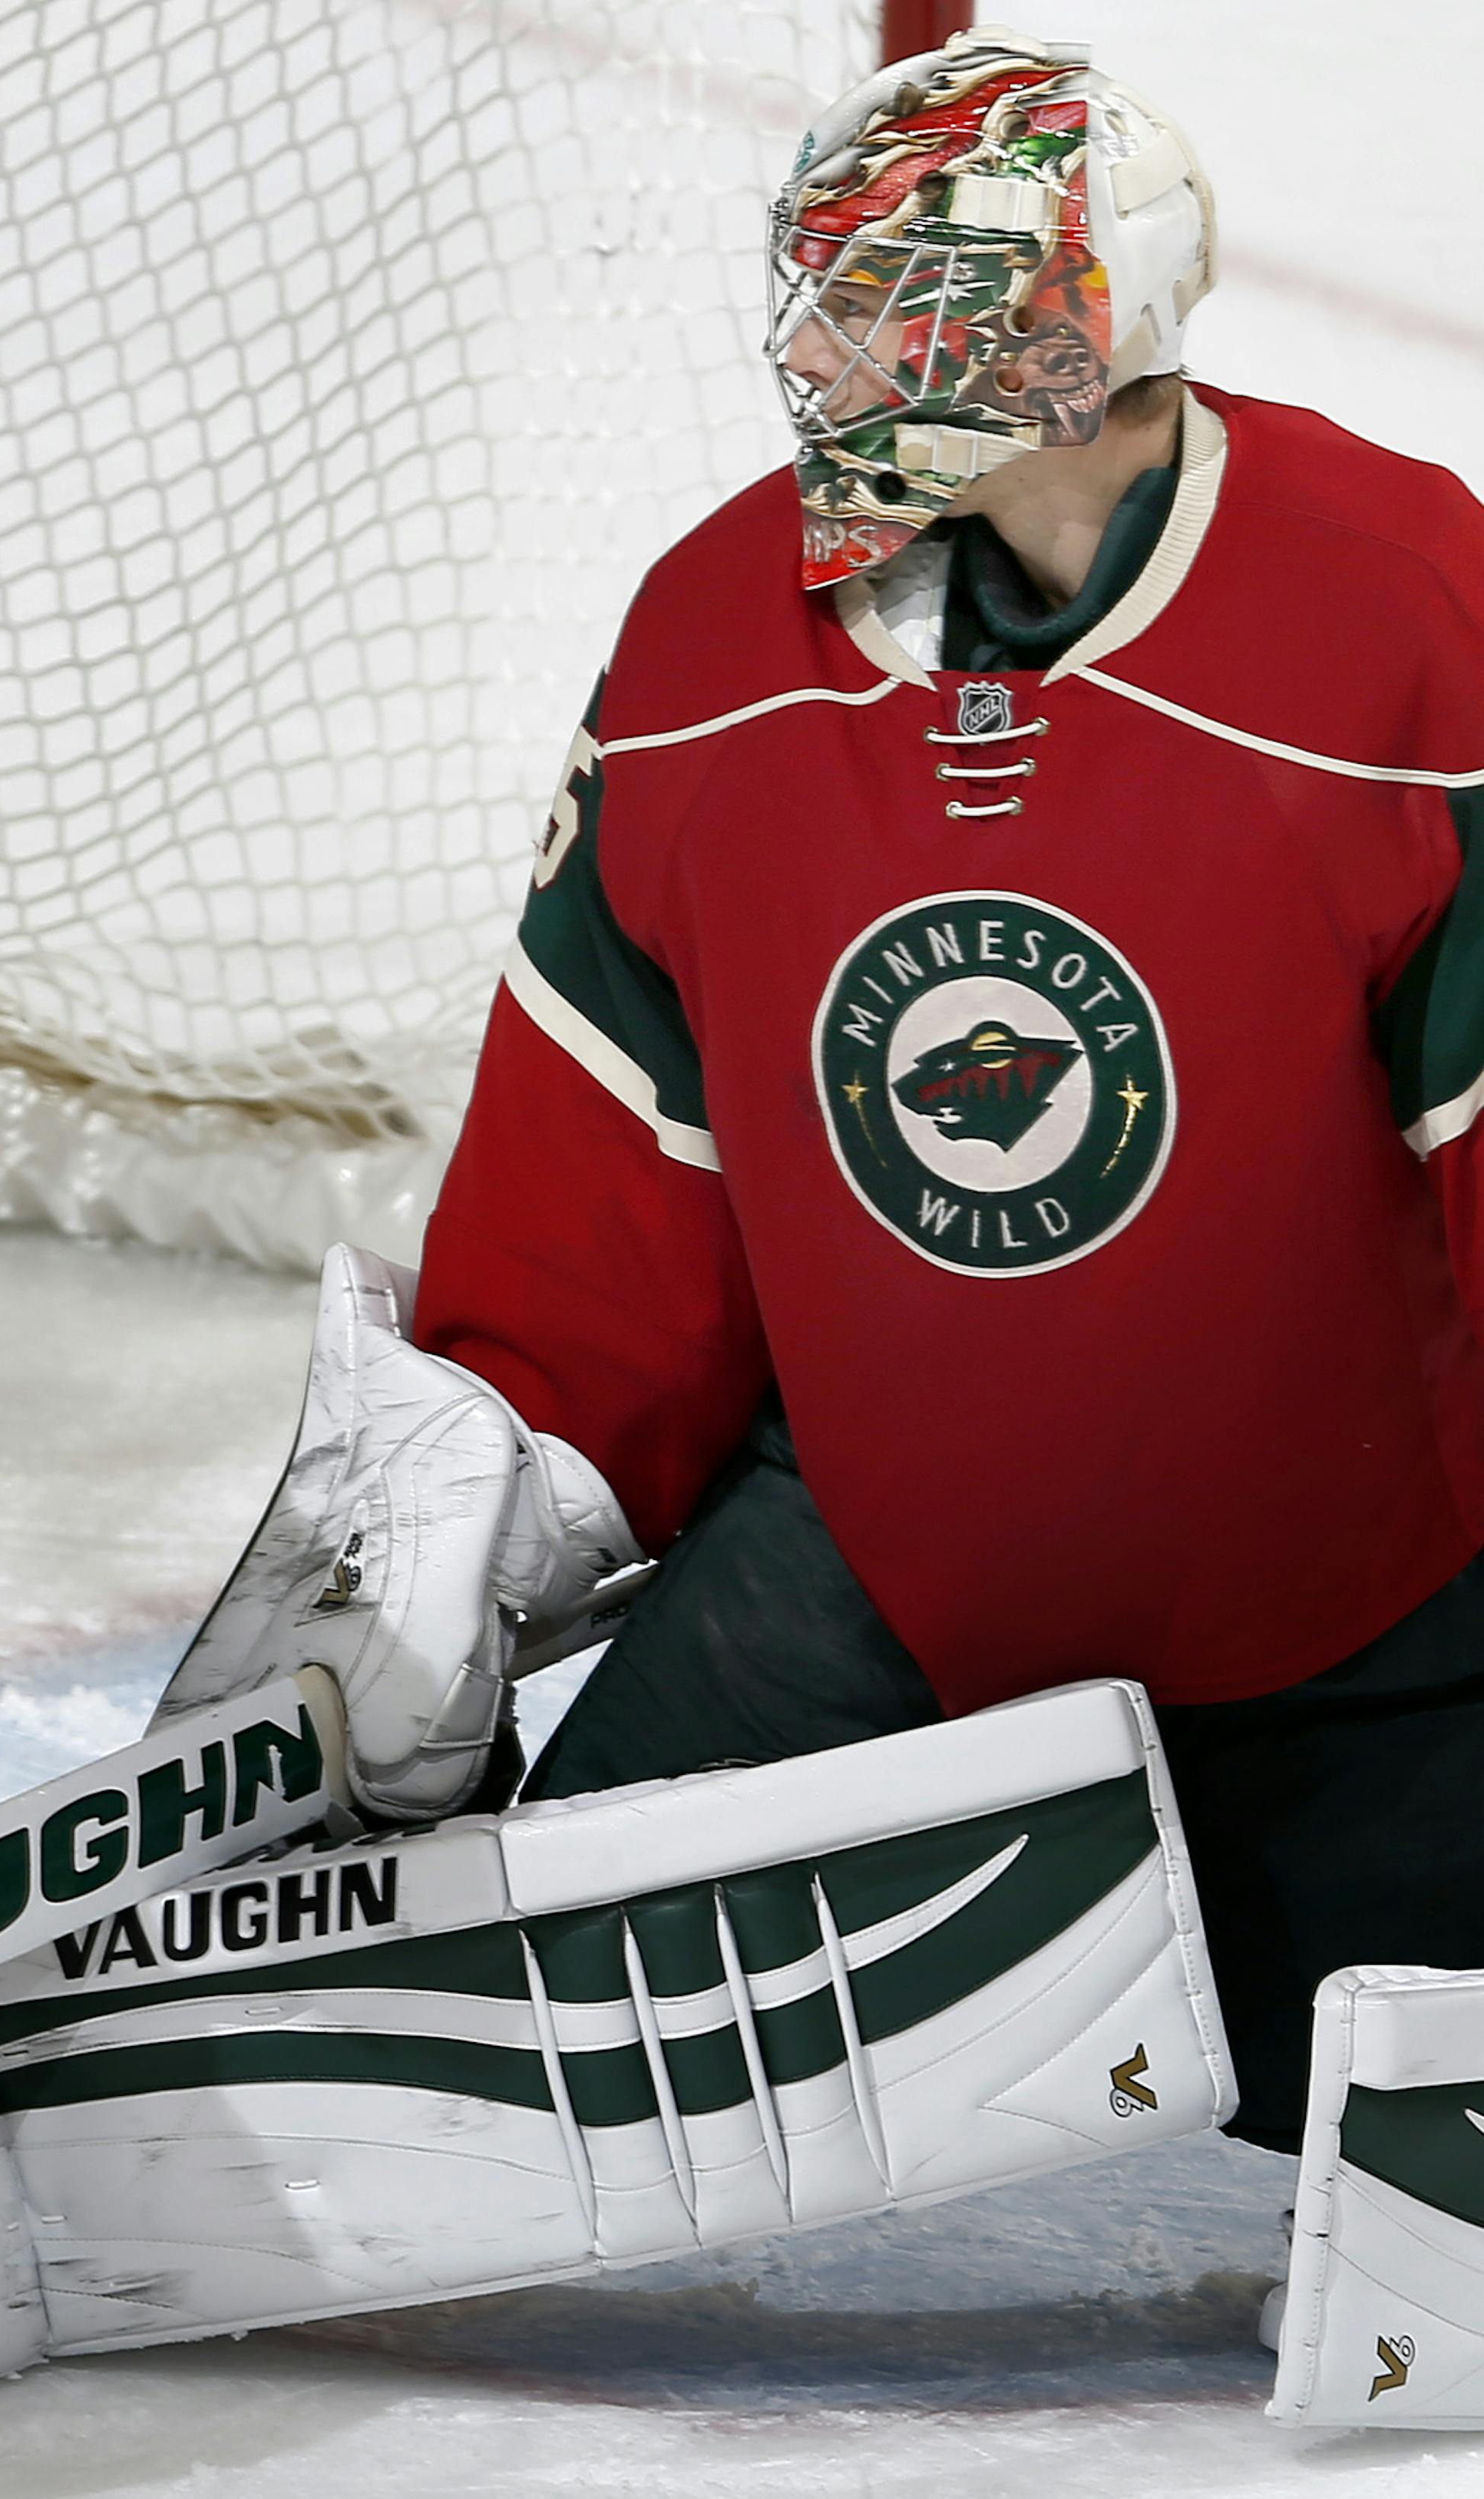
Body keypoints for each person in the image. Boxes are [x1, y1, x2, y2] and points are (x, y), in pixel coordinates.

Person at [398, 22, 1484, 2164]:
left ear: (1078, 335)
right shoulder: (719, 638)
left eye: (893, 296)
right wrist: (469, 1503)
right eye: (818, 284)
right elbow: (611, 1171)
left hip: (1377, 1629)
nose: (817, 344)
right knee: (480, 2074)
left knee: (1375, 2146)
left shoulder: (1412, 625)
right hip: (876, 1578)